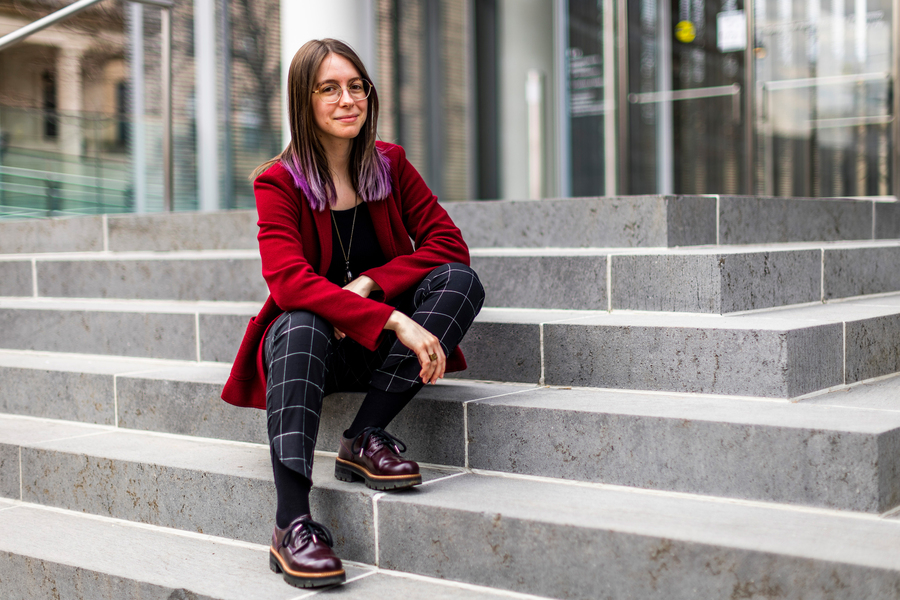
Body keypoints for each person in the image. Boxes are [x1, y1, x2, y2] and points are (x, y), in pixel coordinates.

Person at [220, 38, 484, 590]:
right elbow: (287, 280)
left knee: (460, 282)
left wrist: (372, 284)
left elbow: (447, 244)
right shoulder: (279, 181)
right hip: (313, 353)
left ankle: (364, 437)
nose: (348, 100)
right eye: (329, 89)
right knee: (299, 321)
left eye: (356, 86)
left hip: (379, 357)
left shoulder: (389, 164)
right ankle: (291, 522)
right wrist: (391, 318)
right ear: (304, 101)